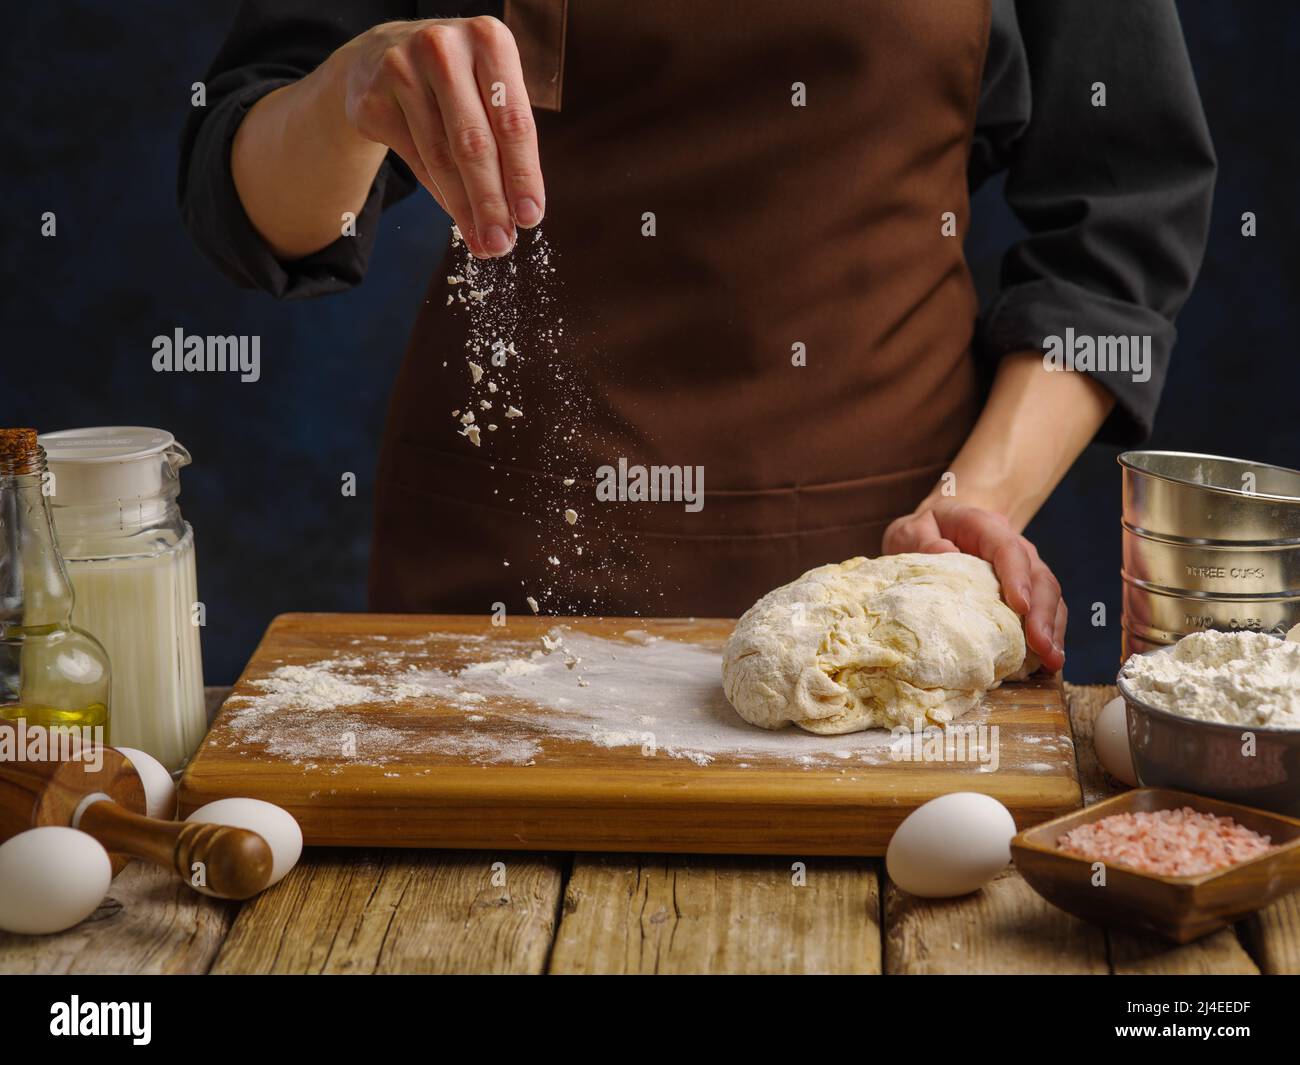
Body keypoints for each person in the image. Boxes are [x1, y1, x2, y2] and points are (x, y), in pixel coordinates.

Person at [180, 1, 1216, 673]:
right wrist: (345, 94)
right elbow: (246, 206)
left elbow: (1120, 219)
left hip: (883, 589)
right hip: (506, 570)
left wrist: (963, 518)